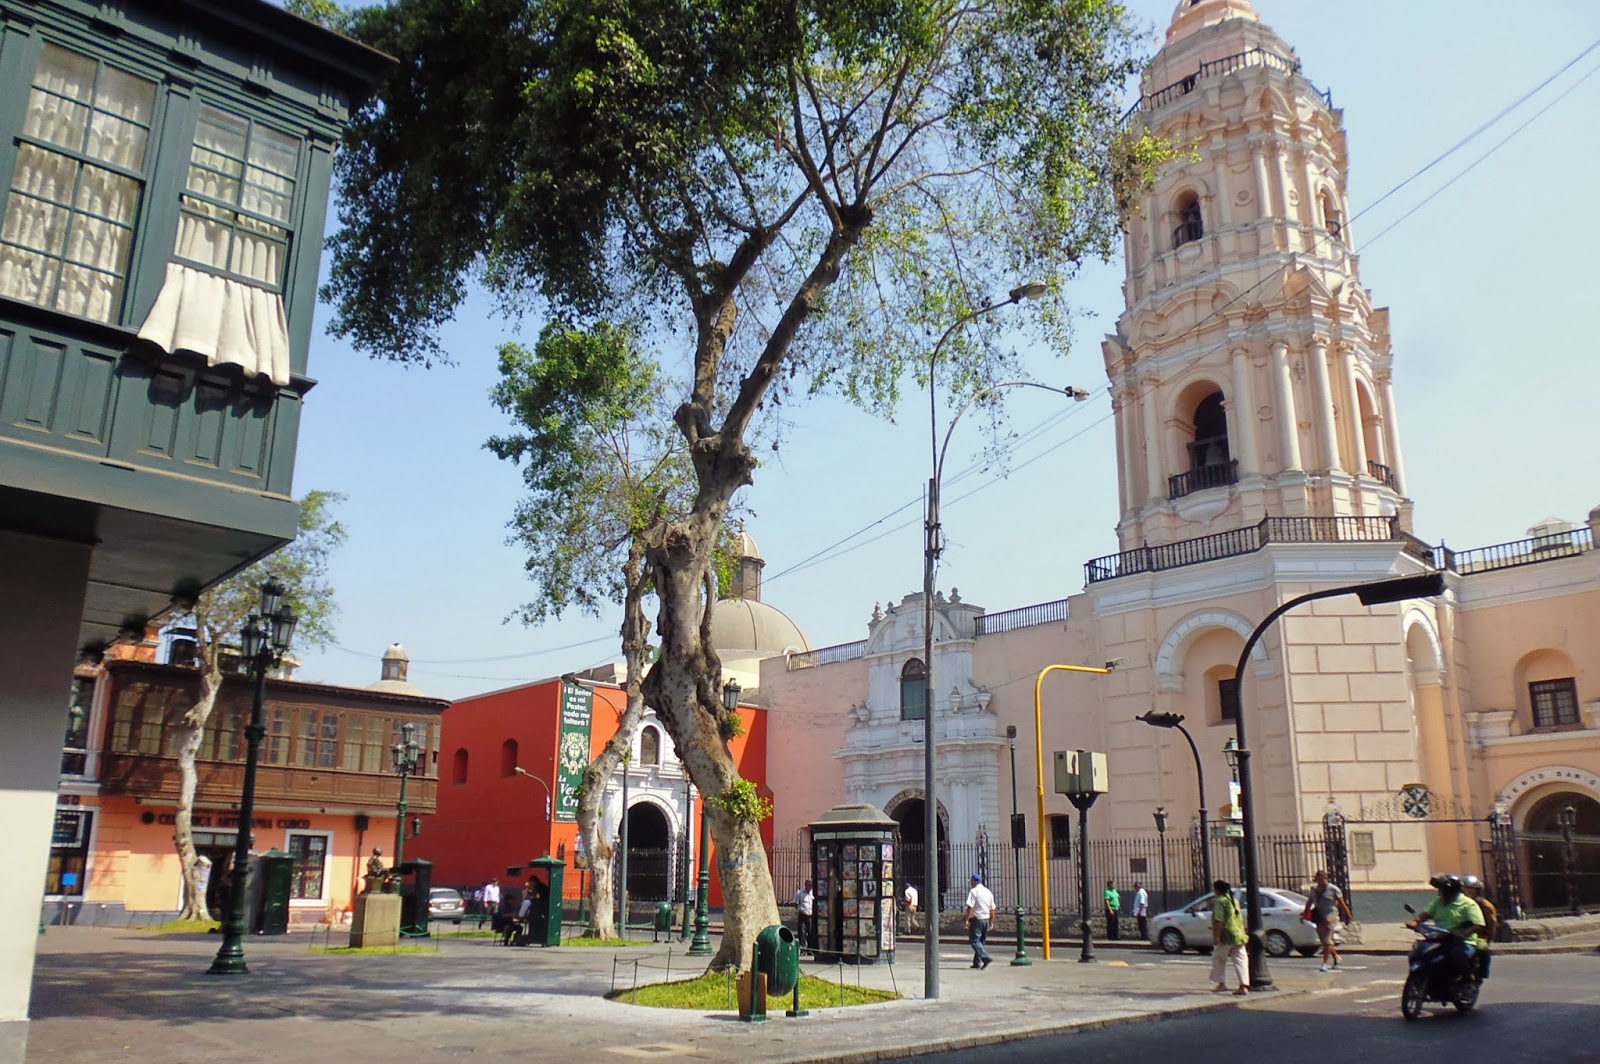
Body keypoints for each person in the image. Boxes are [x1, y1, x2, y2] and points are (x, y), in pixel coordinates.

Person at [1404, 874, 1485, 986]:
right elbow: (1426, 914)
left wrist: (1464, 933)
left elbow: (1478, 925)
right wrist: (1415, 921)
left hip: (1462, 941)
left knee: (1456, 955)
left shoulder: (1468, 904)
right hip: (1440, 937)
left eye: (1442, 890)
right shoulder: (1438, 902)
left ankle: (1467, 981)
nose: (1439, 892)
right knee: (1419, 951)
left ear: (1450, 891)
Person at [1305, 869, 1353, 972]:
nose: (1318, 882)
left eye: (1320, 879)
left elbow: (1342, 903)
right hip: (1319, 916)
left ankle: (1324, 964)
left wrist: (1348, 914)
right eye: (1317, 879)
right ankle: (1336, 957)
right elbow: (1309, 902)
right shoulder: (1314, 890)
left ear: (1325, 878)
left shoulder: (1333, 889)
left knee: (1327, 939)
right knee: (1324, 941)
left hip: (1331, 916)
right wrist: (1305, 913)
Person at [1209, 879, 1249, 996]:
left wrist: (1216, 936)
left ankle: (1221, 983)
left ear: (1216, 890)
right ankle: (1243, 985)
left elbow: (1219, 920)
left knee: (1218, 959)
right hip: (1238, 933)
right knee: (1241, 960)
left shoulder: (1220, 902)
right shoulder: (1234, 901)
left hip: (1226, 935)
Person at [1461, 874, 1497, 979]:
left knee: (1482, 949)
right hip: (1459, 933)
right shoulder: (1458, 903)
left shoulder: (1485, 905)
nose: (1467, 891)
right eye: (1466, 888)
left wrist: (1488, 939)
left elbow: (1492, 924)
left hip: (1478, 935)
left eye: (1471, 888)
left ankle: (1482, 973)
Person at [964, 873, 995, 970]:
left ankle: (985, 957)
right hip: (986, 919)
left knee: (974, 941)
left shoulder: (974, 891)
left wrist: (967, 920)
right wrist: (991, 921)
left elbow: (970, 907)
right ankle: (976, 962)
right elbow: (992, 909)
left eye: (971, 881)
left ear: (974, 881)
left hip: (977, 919)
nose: (970, 883)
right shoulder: (988, 892)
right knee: (981, 941)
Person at [794, 879, 816, 952]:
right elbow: (796, 904)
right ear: (805, 885)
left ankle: (810, 949)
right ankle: (803, 949)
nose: (810, 887)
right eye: (808, 885)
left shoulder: (813, 893)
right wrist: (800, 909)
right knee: (802, 932)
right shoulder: (800, 893)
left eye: (811, 886)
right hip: (803, 915)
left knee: (811, 932)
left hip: (810, 915)